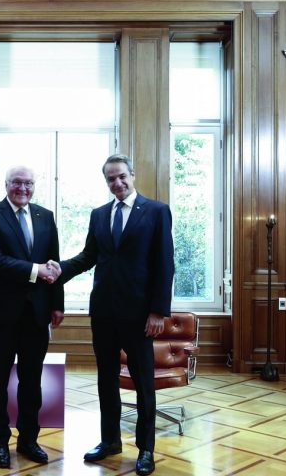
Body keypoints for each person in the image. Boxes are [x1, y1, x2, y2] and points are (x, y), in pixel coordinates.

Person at [58, 154, 174, 476]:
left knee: (143, 383)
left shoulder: (155, 211)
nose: (117, 183)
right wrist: (58, 270)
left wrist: (158, 311)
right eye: (110, 179)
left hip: (140, 315)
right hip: (104, 312)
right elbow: (88, 257)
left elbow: (165, 264)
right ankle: (109, 440)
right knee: (105, 379)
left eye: (121, 176)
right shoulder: (98, 215)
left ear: (132, 175)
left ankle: (146, 449)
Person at [0, 165, 64, 469]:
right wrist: (36, 271)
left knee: (31, 380)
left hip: (35, 314)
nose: (23, 188)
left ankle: (28, 440)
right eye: (17, 183)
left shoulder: (45, 216)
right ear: (6, 184)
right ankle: (0, 442)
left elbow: (55, 263)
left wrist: (57, 304)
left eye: (29, 183)